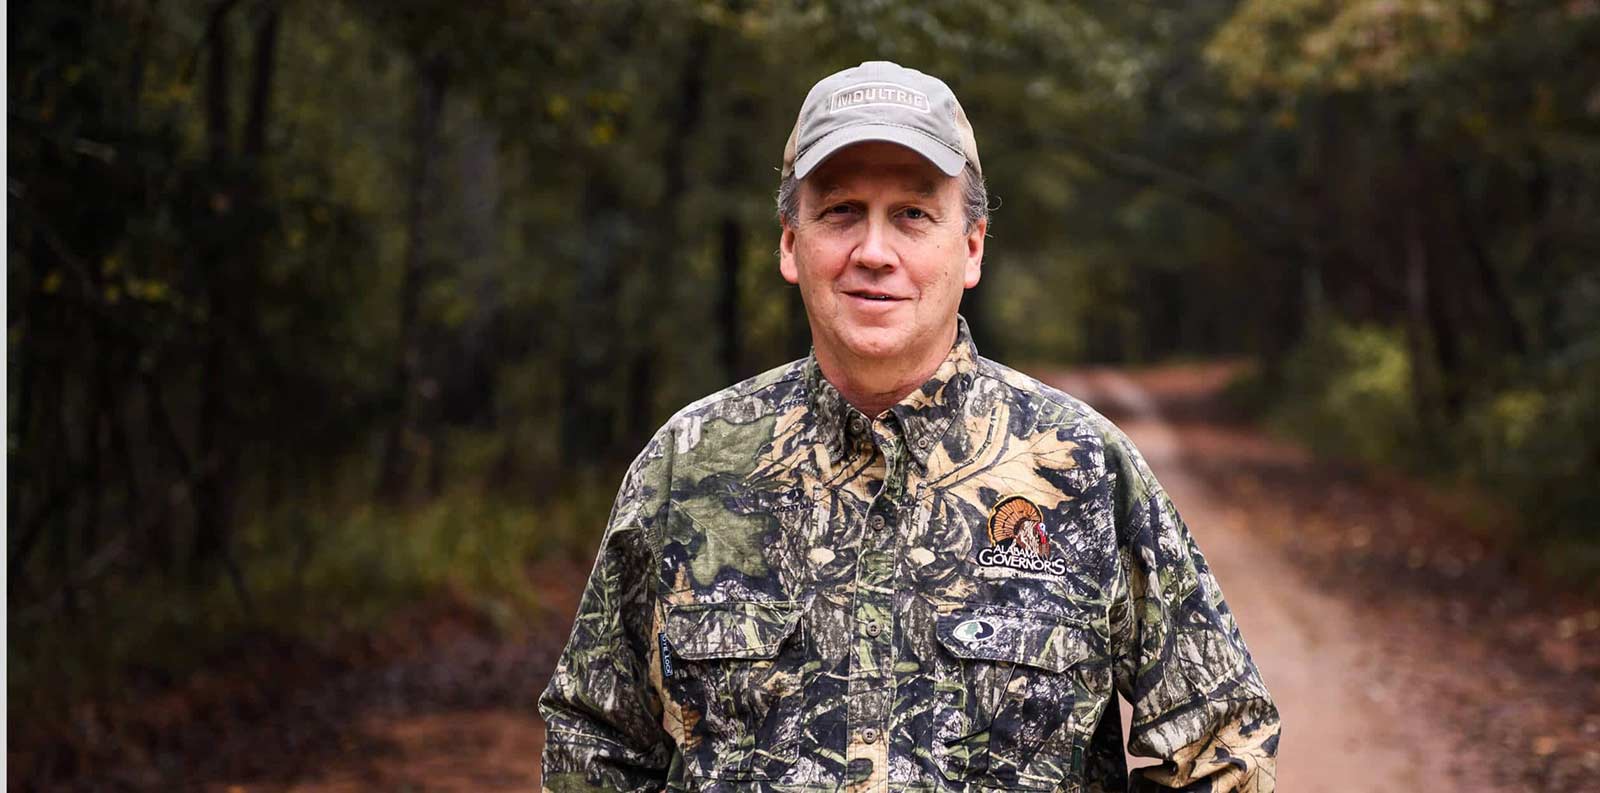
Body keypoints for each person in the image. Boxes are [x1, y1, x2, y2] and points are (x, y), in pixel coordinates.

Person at [539, 60, 1280, 793]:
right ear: (791, 245)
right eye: (839, 211)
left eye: (913, 215)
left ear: (971, 247)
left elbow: (1224, 744)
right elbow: (592, 741)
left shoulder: (1081, 468)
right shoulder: (688, 467)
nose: (873, 251)